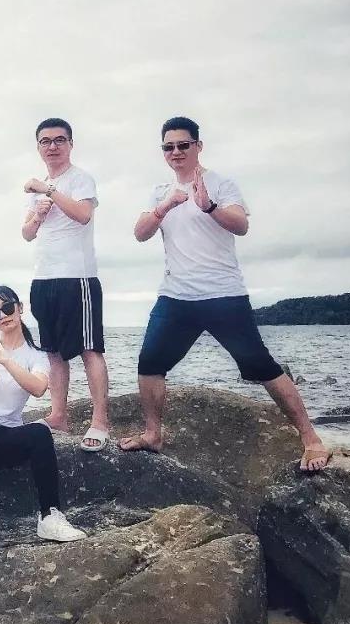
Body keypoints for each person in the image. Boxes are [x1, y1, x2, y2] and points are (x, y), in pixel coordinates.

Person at [121, 116, 331, 472]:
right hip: (176, 296)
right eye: (169, 147)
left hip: (223, 295)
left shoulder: (220, 184)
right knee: (150, 363)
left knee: (261, 365)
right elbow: (140, 233)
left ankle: (311, 439)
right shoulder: (160, 191)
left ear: (198, 146)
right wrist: (164, 207)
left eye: (183, 145)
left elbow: (241, 225)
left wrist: (209, 206)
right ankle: (153, 434)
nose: (176, 152)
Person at [0, 285, 87, 554]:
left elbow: (38, 388)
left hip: (6, 433)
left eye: (7, 308)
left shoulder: (36, 354)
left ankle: (49, 517)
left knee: (40, 433)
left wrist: (4, 359)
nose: (2, 315)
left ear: (20, 308)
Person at [20, 117, 112, 452]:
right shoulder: (42, 186)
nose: (53, 146)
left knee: (89, 349)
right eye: (46, 141)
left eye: (60, 140)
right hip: (43, 278)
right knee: (53, 352)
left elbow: (83, 215)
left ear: (70, 144)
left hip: (78, 277)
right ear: (38, 147)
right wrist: (39, 214)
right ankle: (58, 415)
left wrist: (49, 192)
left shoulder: (79, 179)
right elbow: (27, 234)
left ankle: (100, 421)